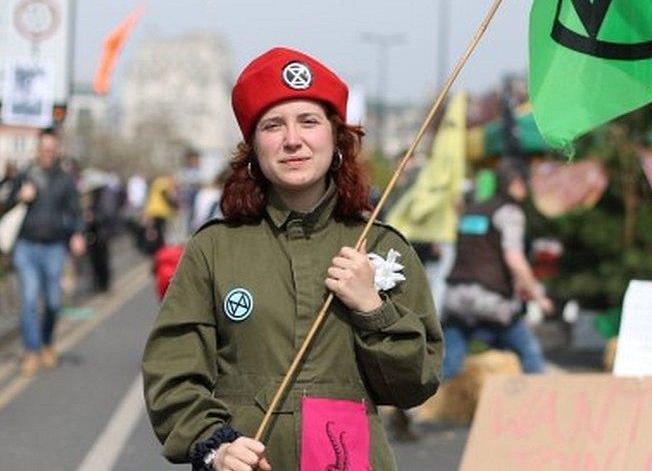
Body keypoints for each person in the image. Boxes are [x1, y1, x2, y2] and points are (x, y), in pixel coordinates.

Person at [142, 47, 442, 471]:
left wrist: (373, 310)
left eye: (308, 121)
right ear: (253, 147)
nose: (292, 140)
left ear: (335, 137)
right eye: (273, 125)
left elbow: (415, 384)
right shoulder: (214, 248)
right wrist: (215, 445)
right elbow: (171, 372)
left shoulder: (380, 246)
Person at [441, 161, 554, 381]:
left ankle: (424, 409)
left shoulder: (472, 211)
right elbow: (514, 259)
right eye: (524, 183)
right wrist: (538, 296)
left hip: (456, 296)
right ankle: (540, 401)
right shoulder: (509, 212)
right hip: (491, 299)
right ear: (514, 185)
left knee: (450, 363)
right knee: (529, 355)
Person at [3, 128, 86, 377]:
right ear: (37, 149)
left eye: (51, 149)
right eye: (43, 149)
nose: (47, 154)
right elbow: (5, 204)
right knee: (28, 301)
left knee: (52, 302)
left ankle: (47, 342)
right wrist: (20, 197)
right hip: (26, 245)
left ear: (57, 150)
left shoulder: (64, 179)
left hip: (54, 247)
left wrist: (78, 234)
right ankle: (31, 351)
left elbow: (76, 211)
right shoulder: (25, 174)